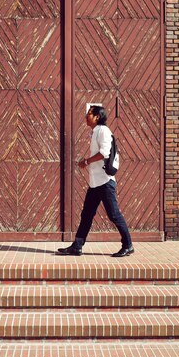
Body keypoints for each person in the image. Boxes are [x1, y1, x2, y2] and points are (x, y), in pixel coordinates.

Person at [58, 106, 134, 257]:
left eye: (89, 114)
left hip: (105, 182)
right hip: (95, 183)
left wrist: (86, 161)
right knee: (86, 214)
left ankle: (128, 245)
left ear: (97, 116)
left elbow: (104, 153)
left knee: (114, 215)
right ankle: (77, 246)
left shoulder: (103, 131)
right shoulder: (95, 132)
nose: (86, 116)